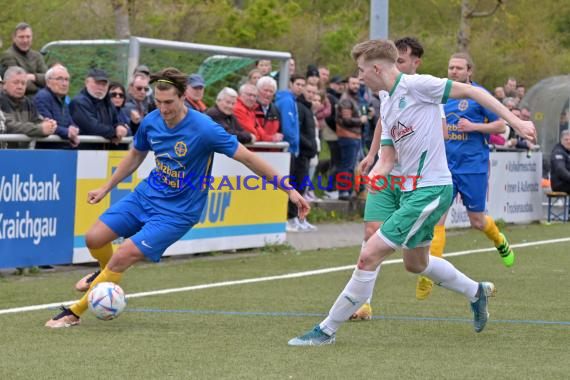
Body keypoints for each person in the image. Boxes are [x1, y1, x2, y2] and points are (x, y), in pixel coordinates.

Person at [288, 39, 535, 345]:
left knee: (368, 255)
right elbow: (389, 157)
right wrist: (375, 175)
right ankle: (476, 291)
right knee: (415, 264)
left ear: (377, 68)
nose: (360, 76)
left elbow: (472, 91)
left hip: (430, 190)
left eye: (363, 70)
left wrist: (516, 121)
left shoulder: (418, 85)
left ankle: (326, 330)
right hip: (410, 191)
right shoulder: (387, 101)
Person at [45, 67, 310, 328]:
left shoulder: (205, 128)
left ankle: (75, 311)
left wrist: (289, 190)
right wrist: (106, 187)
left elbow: (249, 158)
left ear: (183, 97)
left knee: (124, 253)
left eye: (169, 102)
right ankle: (105, 275)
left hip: (177, 213)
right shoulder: (151, 120)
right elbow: (136, 154)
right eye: (158, 102)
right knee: (94, 238)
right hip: (146, 196)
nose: (163, 109)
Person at [351, 36, 448, 320]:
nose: (397, 65)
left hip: (413, 179)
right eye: (396, 60)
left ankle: (466, 287)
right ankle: (363, 303)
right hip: (387, 171)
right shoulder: (385, 93)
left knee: (411, 257)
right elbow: (385, 122)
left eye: (402, 61)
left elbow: (439, 131)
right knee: (370, 234)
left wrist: (410, 142)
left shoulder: (423, 90)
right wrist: (373, 155)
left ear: (413, 63)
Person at [70, 68, 130, 148]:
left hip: (105, 152)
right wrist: (115, 132)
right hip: (83, 152)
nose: (101, 87)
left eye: (104, 84)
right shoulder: (79, 102)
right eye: (97, 83)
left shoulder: (108, 102)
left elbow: (117, 121)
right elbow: (92, 128)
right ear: (87, 82)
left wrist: (120, 126)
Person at [34, 64, 80, 148]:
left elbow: (70, 121)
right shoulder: (42, 97)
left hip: (62, 149)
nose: (64, 84)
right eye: (59, 79)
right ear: (48, 82)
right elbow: (48, 125)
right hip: (47, 151)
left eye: (66, 80)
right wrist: (68, 133)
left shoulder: (63, 99)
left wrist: (74, 129)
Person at [0, 22, 48, 96]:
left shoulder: (37, 56)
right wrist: (41, 89)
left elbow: (48, 78)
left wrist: (33, 77)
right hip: (21, 99)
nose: (25, 40)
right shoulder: (8, 55)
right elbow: (17, 81)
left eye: (28, 37)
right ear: (14, 38)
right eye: (21, 37)